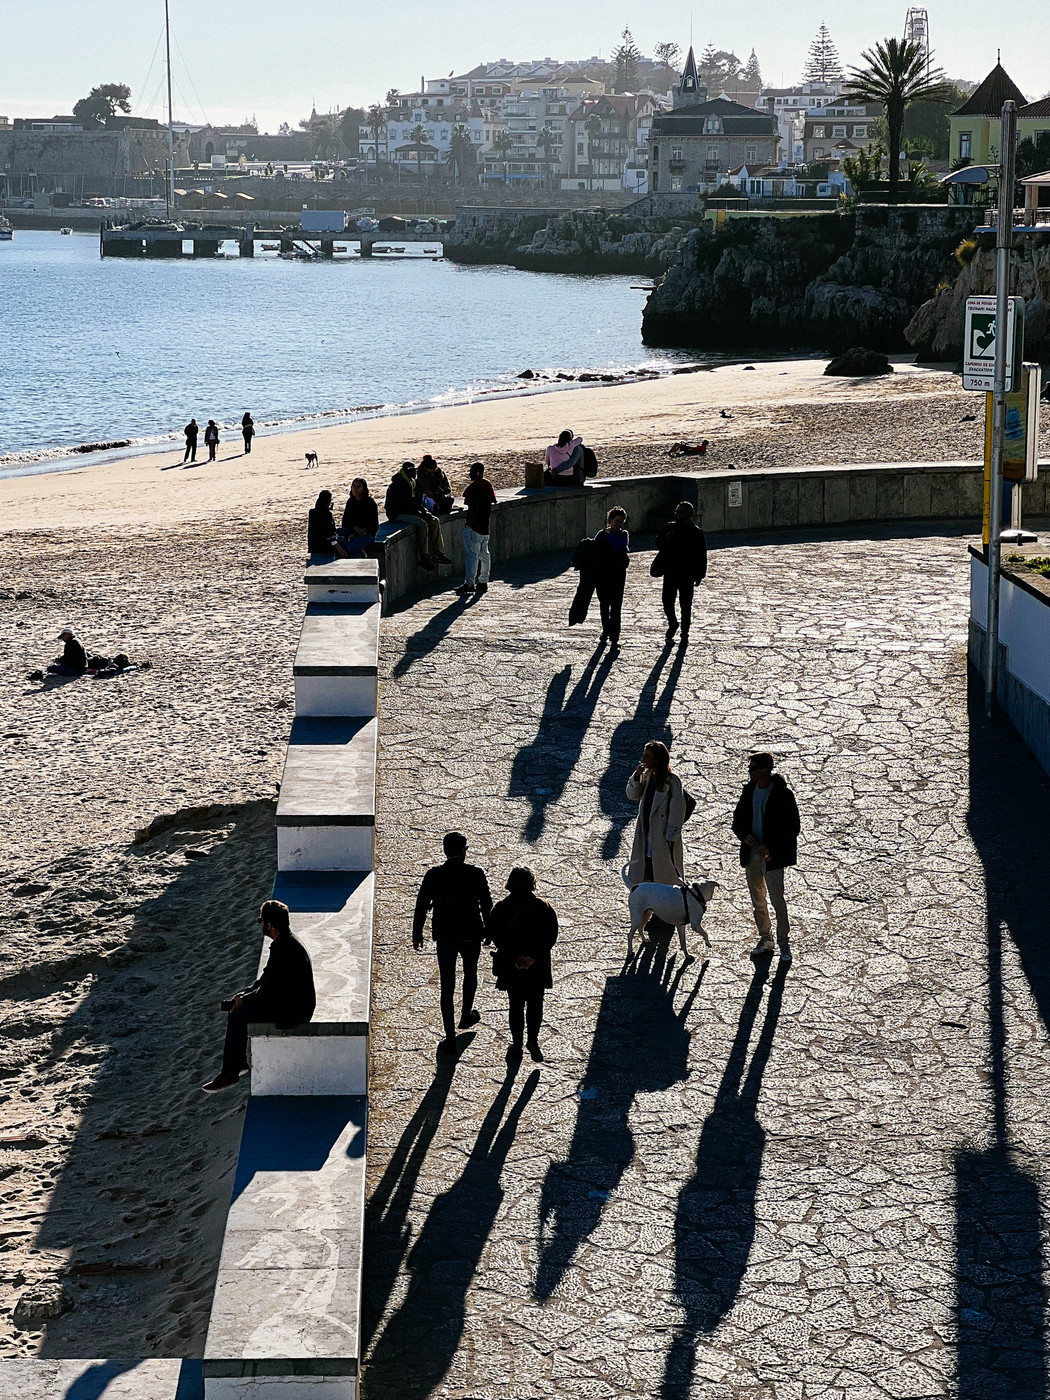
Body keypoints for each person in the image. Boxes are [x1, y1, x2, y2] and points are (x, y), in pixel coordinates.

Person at [203, 899, 316, 1092]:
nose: (260, 925)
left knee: (238, 1015)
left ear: (270, 925)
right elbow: (265, 979)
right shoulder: (285, 942)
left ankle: (231, 1073)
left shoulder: (283, 948)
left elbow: (269, 990)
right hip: (289, 1002)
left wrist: (245, 1000)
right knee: (238, 1008)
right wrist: (243, 994)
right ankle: (237, 1065)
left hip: (295, 1011)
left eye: (260, 921)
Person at [412, 831, 493, 1054]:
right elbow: (487, 904)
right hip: (470, 933)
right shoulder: (476, 874)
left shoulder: (434, 875)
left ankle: (450, 1037)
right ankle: (466, 1014)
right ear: (464, 851)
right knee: (471, 974)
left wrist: (417, 934)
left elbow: (421, 905)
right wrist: (489, 930)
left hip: (445, 936)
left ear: (445, 850)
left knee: (447, 986)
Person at [731, 752, 801, 962]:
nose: (749, 772)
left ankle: (783, 942)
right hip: (752, 855)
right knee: (757, 899)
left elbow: (792, 828)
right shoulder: (749, 791)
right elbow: (737, 821)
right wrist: (746, 837)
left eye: (752, 768)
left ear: (764, 770)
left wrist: (770, 847)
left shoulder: (783, 795)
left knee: (777, 899)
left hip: (773, 857)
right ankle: (765, 938)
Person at [488, 867, 558, 1063]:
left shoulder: (501, 908)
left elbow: (496, 935)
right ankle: (533, 1041)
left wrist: (514, 959)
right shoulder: (544, 907)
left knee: (515, 1005)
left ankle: (517, 1043)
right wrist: (534, 957)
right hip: (538, 965)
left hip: (513, 966)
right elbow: (551, 936)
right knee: (536, 1004)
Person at [626, 740, 686, 886]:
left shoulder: (672, 782)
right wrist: (636, 776)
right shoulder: (647, 777)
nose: (643, 759)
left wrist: (671, 836)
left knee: (662, 878)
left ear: (657, 759)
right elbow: (632, 795)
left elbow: (677, 811)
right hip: (646, 835)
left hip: (662, 838)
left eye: (647, 756)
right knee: (644, 874)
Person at [654, 501, 708, 645]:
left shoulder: (696, 533)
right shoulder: (670, 527)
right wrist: (667, 539)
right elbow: (658, 542)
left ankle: (685, 634)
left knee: (686, 606)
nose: (678, 515)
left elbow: (702, 555)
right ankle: (673, 622)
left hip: (687, 574)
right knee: (667, 602)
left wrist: (700, 575)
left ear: (689, 515)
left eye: (681, 512)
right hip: (670, 572)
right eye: (677, 512)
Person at [384, 462, 450, 572]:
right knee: (422, 524)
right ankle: (423, 556)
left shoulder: (410, 482)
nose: (414, 473)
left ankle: (437, 552)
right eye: (412, 471)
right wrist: (420, 514)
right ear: (406, 471)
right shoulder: (399, 484)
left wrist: (424, 512)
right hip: (397, 514)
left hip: (409, 510)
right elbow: (403, 506)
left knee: (434, 521)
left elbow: (415, 502)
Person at [456, 461, 497, 596]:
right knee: (484, 555)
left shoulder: (474, 488)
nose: (469, 474)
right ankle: (483, 581)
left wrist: (468, 524)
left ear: (477, 473)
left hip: (475, 527)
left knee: (472, 556)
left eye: (471, 471)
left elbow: (474, 507)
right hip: (485, 527)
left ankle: (469, 583)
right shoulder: (488, 485)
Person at [593, 506, 630, 652]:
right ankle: (605, 630)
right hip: (603, 574)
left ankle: (615, 638)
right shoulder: (601, 534)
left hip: (618, 574)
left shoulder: (623, 534)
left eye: (621, 522)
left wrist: (608, 537)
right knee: (604, 604)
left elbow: (620, 545)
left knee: (616, 607)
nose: (618, 524)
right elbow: (594, 548)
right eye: (616, 521)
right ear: (610, 520)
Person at [340, 477, 379, 557]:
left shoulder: (370, 503)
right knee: (336, 536)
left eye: (358, 487)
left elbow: (374, 526)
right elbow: (345, 522)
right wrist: (354, 529)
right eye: (353, 486)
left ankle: (361, 559)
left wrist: (357, 533)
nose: (355, 489)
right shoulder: (351, 501)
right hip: (352, 530)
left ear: (363, 489)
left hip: (367, 534)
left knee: (351, 548)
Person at [308, 490, 349, 557]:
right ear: (328, 502)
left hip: (314, 547)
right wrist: (339, 548)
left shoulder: (312, 512)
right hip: (326, 548)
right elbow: (329, 534)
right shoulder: (327, 515)